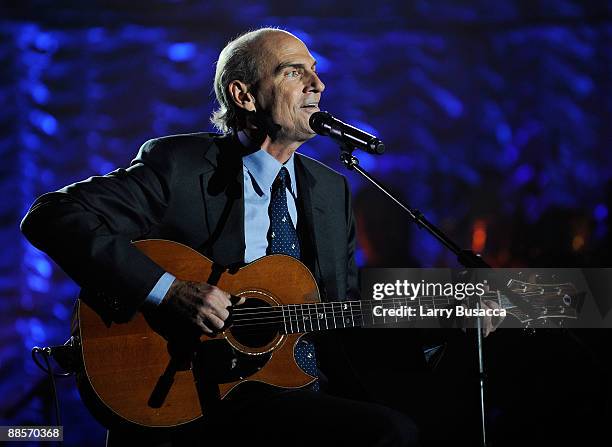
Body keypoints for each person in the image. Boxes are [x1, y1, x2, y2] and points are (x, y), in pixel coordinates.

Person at [21, 28, 419, 446]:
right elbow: (53, 216)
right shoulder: (180, 165)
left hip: (300, 388)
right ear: (244, 96)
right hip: (190, 389)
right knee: (389, 433)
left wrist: (442, 311)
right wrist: (169, 291)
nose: (317, 85)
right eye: (293, 72)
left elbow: (344, 306)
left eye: (315, 72)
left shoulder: (331, 189)